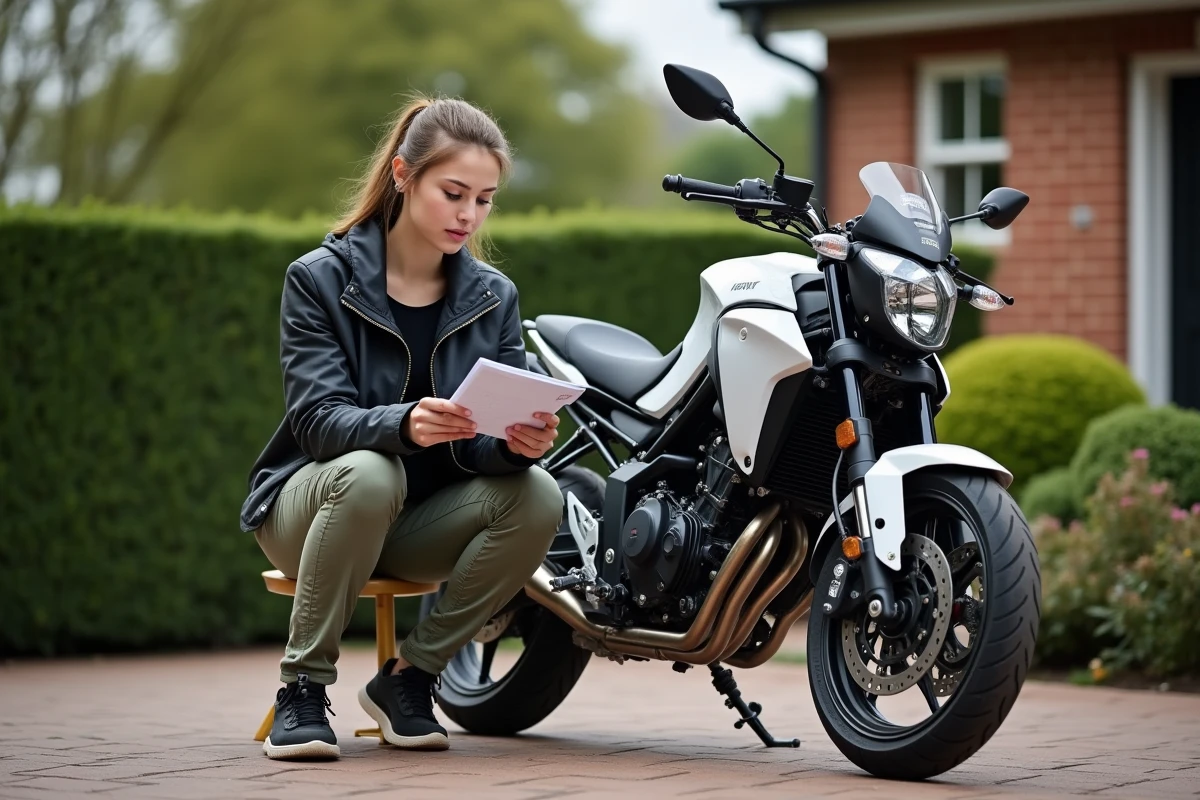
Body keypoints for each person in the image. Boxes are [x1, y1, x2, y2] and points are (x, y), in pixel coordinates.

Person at [239, 95, 565, 761]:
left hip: (417, 525)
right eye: (453, 193)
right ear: (402, 176)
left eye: (485, 199)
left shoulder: (493, 297)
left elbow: (482, 445)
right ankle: (303, 689)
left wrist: (513, 444)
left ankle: (410, 678)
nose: (468, 215)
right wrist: (406, 424)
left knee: (540, 495)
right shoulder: (320, 280)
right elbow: (317, 422)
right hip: (312, 507)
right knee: (369, 469)